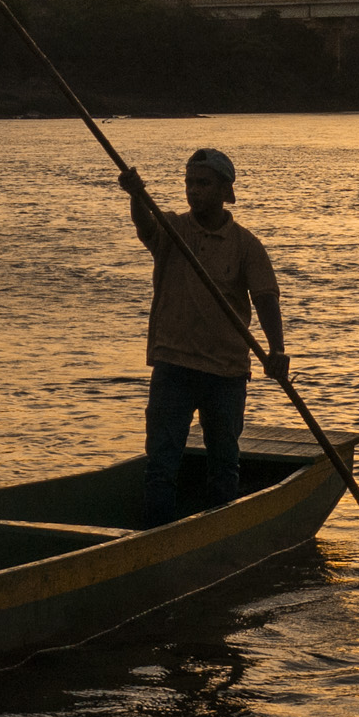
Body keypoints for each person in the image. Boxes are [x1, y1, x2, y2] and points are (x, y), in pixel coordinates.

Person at [117, 146, 287, 525]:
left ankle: (219, 532)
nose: (193, 191)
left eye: (203, 184)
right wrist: (135, 196)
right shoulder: (173, 230)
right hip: (173, 365)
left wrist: (277, 349)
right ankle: (155, 537)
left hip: (225, 373)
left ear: (226, 191)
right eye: (189, 183)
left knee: (224, 464)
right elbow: (145, 226)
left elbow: (265, 297)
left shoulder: (246, 245)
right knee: (161, 463)